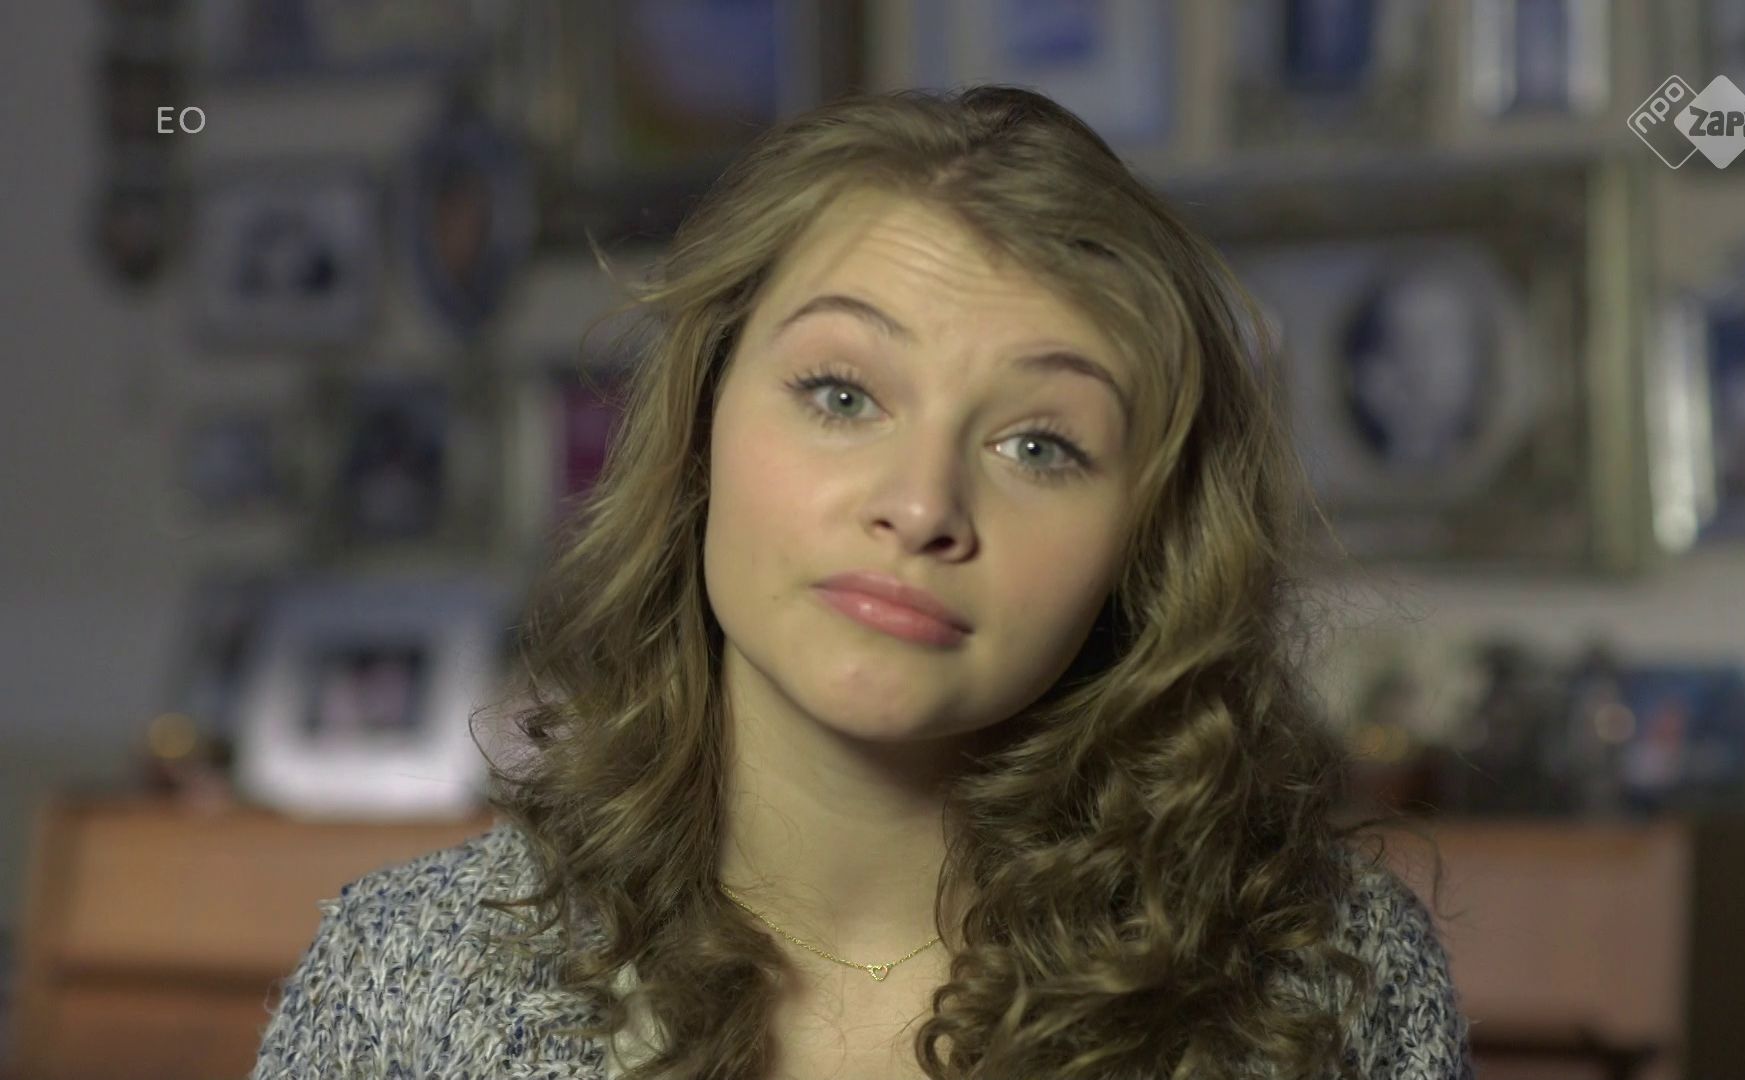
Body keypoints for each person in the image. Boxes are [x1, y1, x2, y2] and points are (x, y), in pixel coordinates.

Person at [250, 85, 1472, 1080]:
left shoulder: (1330, 986)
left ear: (1145, 546)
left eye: (1040, 445)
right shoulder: (404, 980)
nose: (923, 506)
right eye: (841, 394)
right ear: (700, 426)